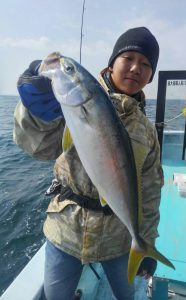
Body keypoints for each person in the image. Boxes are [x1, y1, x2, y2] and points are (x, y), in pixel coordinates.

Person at [13, 27, 163, 300]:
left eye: (145, 64)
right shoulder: (72, 104)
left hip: (119, 238)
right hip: (66, 229)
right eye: (128, 57)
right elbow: (39, 146)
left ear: (151, 75)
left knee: (127, 296)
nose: (135, 68)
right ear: (111, 62)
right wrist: (33, 111)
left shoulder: (147, 131)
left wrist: (146, 242)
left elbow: (150, 191)